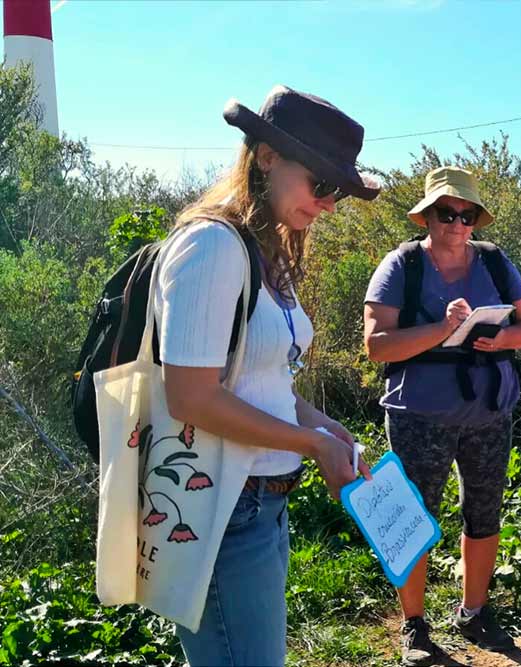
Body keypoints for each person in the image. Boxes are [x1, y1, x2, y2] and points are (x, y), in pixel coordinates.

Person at [156, 85, 377, 666]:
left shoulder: (263, 252)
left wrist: (325, 427)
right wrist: (309, 442)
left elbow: (261, 382)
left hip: (261, 506)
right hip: (222, 509)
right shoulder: (212, 246)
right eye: (323, 184)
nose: (329, 204)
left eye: (339, 193)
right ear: (267, 156)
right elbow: (190, 397)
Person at [363, 166, 521, 666]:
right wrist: (442, 329)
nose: (458, 224)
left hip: (489, 411)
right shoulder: (401, 266)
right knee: (412, 519)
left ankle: (474, 611)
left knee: (484, 513)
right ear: (427, 217)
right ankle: (414, 626)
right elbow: (377, 345)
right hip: (419, 415)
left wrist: (502, 337)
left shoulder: (494, 261)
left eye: (467, 215)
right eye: (447, 213)